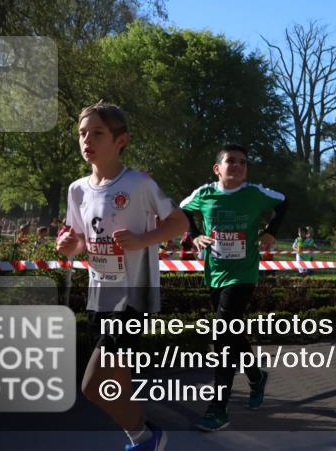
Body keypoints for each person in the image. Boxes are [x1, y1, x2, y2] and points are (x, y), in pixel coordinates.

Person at [56, 101, 188, 451]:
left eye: (97, 133)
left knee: (92, 385)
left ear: (121, 140)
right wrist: (69, 243)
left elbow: (180, 222)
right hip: (99, 295)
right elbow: (80, 239)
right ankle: (143, 439)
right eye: (82, 133)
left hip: (133, 296)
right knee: (116, 382)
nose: (87, 140)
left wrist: (142, 240)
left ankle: (147, 437)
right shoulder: (77, 190)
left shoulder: (139, 183)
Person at [180, 144, 287, 432]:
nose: (238, 166)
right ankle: (256, 376)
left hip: (243, 275)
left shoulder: (254, 194)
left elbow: (283, 202)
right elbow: (181, 211)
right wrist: (195, 236)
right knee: (233, 332)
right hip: (215, 273)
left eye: (243, 162)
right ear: (218, 168)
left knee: (223, 334)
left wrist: (270, 232)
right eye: (231, 161)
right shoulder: (203, 194)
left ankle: (218, 407)